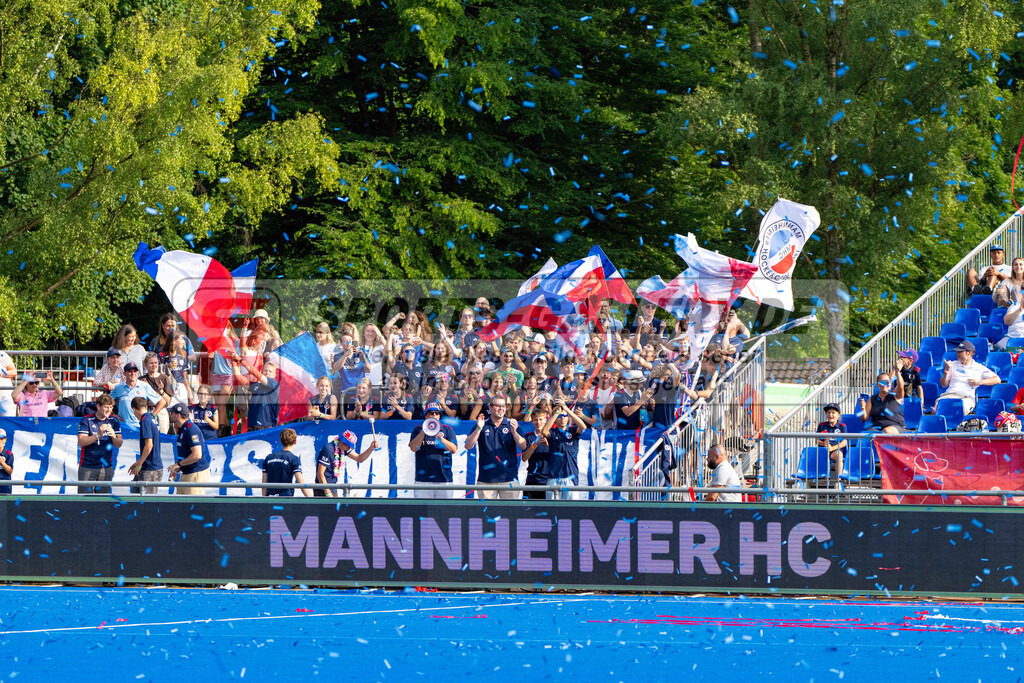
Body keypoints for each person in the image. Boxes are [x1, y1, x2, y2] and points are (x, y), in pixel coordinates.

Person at [464, 395, 528, 499]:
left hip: (509, 479)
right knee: (487, 514)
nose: (501, 408)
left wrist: (514, 432)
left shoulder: (511, 424)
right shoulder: (482, 424)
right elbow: (468, 445)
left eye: (503, 406)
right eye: (497, 406)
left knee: (509, 514)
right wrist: (478, 429)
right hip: (486, 480)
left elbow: (523, 445)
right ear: (490, 407)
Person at [536, 398, 588, 499]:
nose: (563, 418)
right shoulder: (553, 432)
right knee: (553, 511)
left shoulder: (573, 431)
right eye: (560, 416)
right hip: (553, 477)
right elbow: (544, 431)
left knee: (570, 511)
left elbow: (583, 427)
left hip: (570, 477)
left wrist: (566, 410)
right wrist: (556, 413)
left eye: (565, 416)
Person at [409, 403, 458, 498]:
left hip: (444, 479)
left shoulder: (447, 430)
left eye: (437, 413)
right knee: (422, 511)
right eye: (431, 413)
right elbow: (414, 448)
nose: (434, 416)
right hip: (423, 480)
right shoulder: (418, 429)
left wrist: (440, 438)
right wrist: (424, 430)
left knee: (443, 511)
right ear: (426, 415)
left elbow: (453, 449)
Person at [76, 394, 123, 493]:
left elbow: (119, 444)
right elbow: (81, 442)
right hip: (87, 466)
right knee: (85, 501)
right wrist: (98, 435)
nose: (109, 410)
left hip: (106, 467)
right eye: (106, 407)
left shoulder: (113, 421)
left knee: (103, 502)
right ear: (98, 406)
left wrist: (114, 436)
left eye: (111, 407)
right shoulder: (86, 420)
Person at [937, 340, 999, 415]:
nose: (957, 353)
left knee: (961, 412)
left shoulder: (978, 367)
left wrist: (980, 382)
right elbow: (943, 384)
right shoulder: (952, 364)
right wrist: (946, 370)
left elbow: (997, 379)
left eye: (960, 352)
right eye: (957, 351)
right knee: (935, 410)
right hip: (949, 394)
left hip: (966, 398)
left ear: (968, 353)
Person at [315, 429, 378, 497]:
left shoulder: (342, 448)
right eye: (348, 446)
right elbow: (320, 473)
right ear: (342, 442)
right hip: (322, 488)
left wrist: (371, 448)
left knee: (336, 506)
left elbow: (359, 459)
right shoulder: (328, 449)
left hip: (332, 487)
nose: (349, 449)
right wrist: (327, 492)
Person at [166, 403, 210, 495]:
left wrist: (178, 464)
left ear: (178, 415)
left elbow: (197, 455)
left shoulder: (191, 429)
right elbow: (185, 454)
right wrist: (177, 468)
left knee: (193, 507)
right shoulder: (183, 429)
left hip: (195, 473)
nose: (170, 415)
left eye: (172, 413)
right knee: (183, 507)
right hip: (187, 473)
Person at [110, 363, 165, 429]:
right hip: (123, 425)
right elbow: (106, 401)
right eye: (130, 371)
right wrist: (113, 415)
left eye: (135, 371)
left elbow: (162, 401)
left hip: (140, 426)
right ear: (124, 373)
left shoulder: (144, 386)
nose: (133, 373)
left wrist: (152, 415)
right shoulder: (118, 387)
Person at [261, 429, 311, 497]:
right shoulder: (294, 459)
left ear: (281, 441)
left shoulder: (269, 458)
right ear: (295, 441)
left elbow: (264, 482)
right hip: (285, 498)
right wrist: (311, 498)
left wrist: (264, 499)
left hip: (270, 498)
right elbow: (300, 482)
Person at [128, 396, 163, 494]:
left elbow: (149, 445)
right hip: (149, 466)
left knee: (147, 504)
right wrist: (139, 462)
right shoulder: (151, 418)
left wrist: (139, 464)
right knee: (135, 498)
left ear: (134, 409)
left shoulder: (145, 421)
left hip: (150, 469)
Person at [237, 359, 279, 431]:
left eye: (270, 371)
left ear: (274, 375)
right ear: (262, 372)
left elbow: (255, 373)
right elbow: (238, 377)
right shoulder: (256, 385)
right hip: (252, 424)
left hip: (266, 425)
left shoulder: (274, 384)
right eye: (265, 371)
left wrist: (241, 360)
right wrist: (234, 361)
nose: (267, 373)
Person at [141, 352, 174, 433]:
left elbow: (168, 400)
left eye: (155, 363)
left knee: (162, 436)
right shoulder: (141, 379)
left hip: (161, 410)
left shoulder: (163, 377)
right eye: (151, 363)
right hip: (146, 410)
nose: (154, 365)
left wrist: (161, 391)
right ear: (146, 365)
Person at [816, 403, 848, 474]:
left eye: (833, 413)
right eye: (828, 413)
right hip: (823, 450)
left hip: (836, 450)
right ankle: (819, 478)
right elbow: (817, 440)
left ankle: (838, 480)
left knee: (839, 456)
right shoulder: (822, 425)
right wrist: (823, 443)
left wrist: (832, 448)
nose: (830, 415)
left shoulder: (842, 426)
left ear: (838, 415)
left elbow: (844, 442)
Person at [0, 429, 13, 494]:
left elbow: (10, 471)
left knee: (5, 504)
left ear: (5, 440)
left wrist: (2, 462)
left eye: (1, 438)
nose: (0, 441)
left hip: (5, 486)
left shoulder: (9, 454)